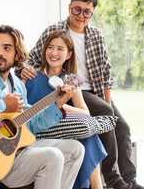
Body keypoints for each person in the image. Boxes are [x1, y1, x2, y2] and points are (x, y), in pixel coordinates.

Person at [19, 0, 144, 189]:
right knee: (104, 112)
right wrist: (24, 70)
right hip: (66, 88)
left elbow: (105, 72)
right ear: (70, 7)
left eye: (87, 12)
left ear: (92, 14)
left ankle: (130, 181)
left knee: (122, 127)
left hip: (92, 90)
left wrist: (108, 101)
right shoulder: (55, 31)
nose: (81, 16)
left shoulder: (96, 35)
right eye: (77, 10)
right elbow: (33, 59)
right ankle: (114, 180)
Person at [0, 25, 85, 189]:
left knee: (76, 149)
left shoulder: (18, 85)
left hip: (17, 148)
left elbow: (30, 125)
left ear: (17, 54)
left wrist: (57, 105)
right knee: (53, 156)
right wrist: (1, 106)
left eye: (7, 48)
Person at [23, 30, 106, 189]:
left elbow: (86, 114)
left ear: (69, 54)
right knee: (87, 137)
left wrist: (61, 104)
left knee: (87, 134)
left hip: (57, 130)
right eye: (50, 47)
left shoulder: (70, 81)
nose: (54, 53)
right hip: (34, 131)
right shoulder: (29, 75)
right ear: (44, 50)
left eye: (60, 49)